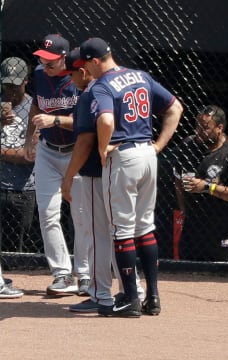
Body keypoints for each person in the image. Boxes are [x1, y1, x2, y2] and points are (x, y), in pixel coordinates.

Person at [77, 37, 183, 317]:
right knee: (145, 228)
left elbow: (106, 120)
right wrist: (159, 145)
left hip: (123, 156)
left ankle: (129, 298)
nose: (85, 68)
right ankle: (154, 297)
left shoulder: (102, 84)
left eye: (86, 62)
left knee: (121, 231)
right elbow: (175, 107)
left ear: (95, 61)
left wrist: (102, 148)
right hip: (148, 154)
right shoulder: (140, 75)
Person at [62, 48, 144, 310]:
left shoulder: (91, 93)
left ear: (84, 71)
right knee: (121, 233)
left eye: (72, 73)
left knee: (99, 235)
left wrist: (68, 177)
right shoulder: (118, 86)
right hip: (123, 169)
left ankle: (101, 295)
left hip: (98, 174)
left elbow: (85, 141)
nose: (70, 79)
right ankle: (135, 291)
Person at [22, 34, 82, 295]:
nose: (45, 64)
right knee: (47, 214)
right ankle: (62, 275)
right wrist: (29, 139)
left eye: (51, 61)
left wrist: (55, 121)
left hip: (76, 153)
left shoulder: (79, 78)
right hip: (48, 152)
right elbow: (36, 106)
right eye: (42, 59)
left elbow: (86, 121)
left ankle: (86, 274)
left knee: (81, 215)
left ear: (64, 58)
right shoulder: (38, 74)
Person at [173, 105, 228, 261]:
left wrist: (207, 187)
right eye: (196, 126)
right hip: (193, 228)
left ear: (219, 128)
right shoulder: (187, 146)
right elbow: (178, 181)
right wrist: (183, 209)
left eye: (204, 127)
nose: (198, 131)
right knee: (186, 273)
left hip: (223, 228)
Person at [0, 57, 36, 252]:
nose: (10, 90)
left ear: (25, 81)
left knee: (18, 252)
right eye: (6, 85)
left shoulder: (34, 107)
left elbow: (30, 155)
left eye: (14, 85)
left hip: (23, 189)